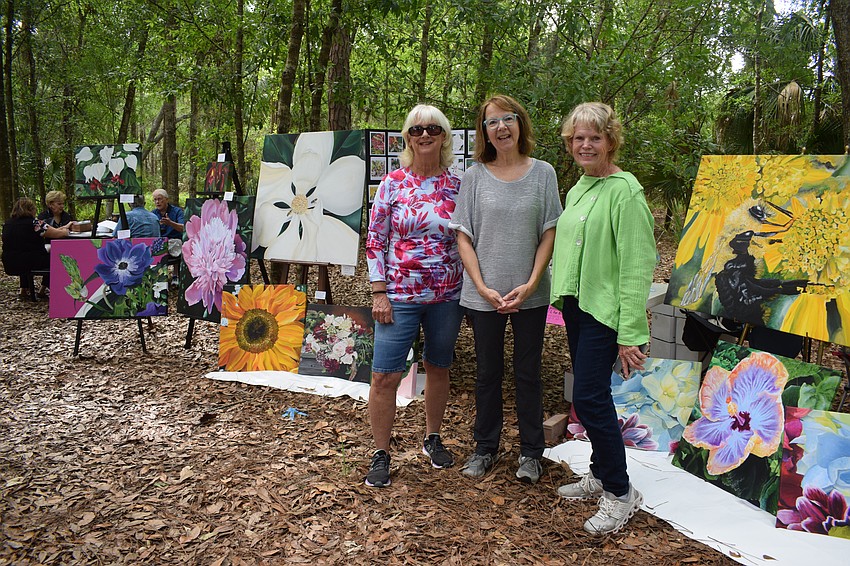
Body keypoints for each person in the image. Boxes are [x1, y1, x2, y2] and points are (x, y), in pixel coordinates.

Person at [550, 102, 656, 535]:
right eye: (578, 137)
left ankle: (620, 491)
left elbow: (636, 265)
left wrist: (630, 332)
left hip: (605, 311)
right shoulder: (579, 189)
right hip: (578, 305)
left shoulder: (625, 191)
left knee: (591, 397)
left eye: (595, 137)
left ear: (611, 140)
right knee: (589, 393)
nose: (586, 145)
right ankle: (599, 469)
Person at [450, 94, 562, 485]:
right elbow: (463, 236)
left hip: (529, 294)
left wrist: (532, 282)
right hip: (483, 297)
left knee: (529, 373)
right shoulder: (473, 176)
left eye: (508, 119)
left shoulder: (544, 173)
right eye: (492, 122)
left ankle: (531, 453)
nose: (501, 128)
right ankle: (485, 447)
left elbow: (550, 231)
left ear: (521, 124)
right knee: (487, 372)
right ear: (484, 132)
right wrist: (481, 286)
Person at [364, 104, 465, 488]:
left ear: (444, 137)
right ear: (407, 137)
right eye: (417, 130)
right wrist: (378, 292)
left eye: (434, 129)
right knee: (384, 376)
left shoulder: (459, 185)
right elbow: (375, 241)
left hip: (447, 297)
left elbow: (467, 240)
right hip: (398, 296)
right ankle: (381, 452)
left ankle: (432, 437)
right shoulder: (392, 183)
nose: (425, 135)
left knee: (439, 367)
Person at [2, 197, 66, 299]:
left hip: (10, 262)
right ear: (31, 210)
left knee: (24, 253)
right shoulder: (35, 223)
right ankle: (50, 290)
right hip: (32, 261)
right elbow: (58, 234)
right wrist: (67, 229)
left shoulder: (8, 223)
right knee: (57, 257)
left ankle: (25, 289)